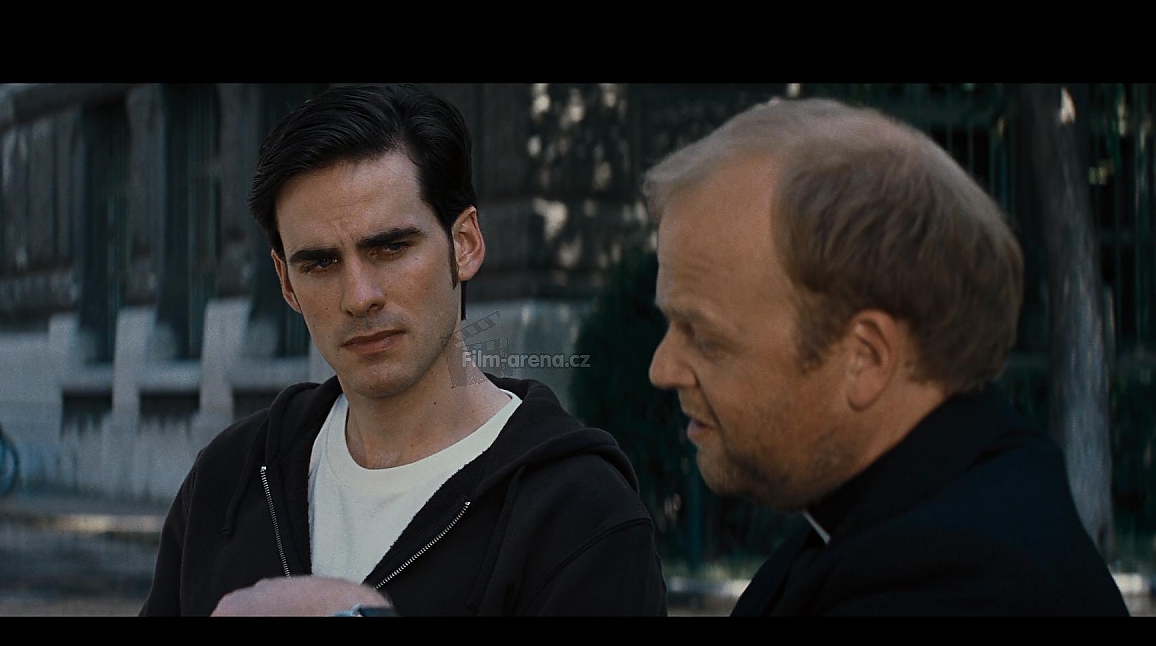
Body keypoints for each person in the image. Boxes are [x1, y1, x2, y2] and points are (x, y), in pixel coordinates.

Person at [139, 83, 668, 616]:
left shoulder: (581, 512)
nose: (359, 297)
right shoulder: (227, 477)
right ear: (286, 283)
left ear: (465, 245)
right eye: (320, 263)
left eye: (391, 247)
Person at [643, 96, 1130, 616]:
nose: (661, 370)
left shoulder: (960, 583)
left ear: (866, 357)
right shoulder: (899, 514)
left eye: (704, 336)